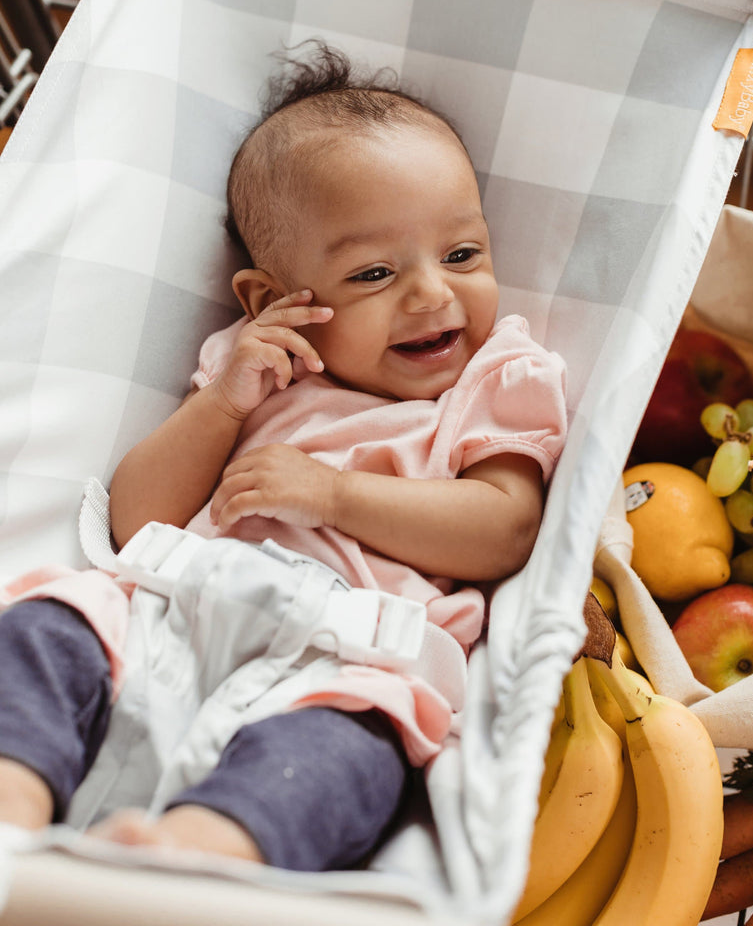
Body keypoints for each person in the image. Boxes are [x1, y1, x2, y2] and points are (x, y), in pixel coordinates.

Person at [0, 43, 567, 871]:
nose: (432, 294)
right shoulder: (258, 364)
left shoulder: (494, 379)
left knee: (350, 752)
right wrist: (220, 403)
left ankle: (199, 856)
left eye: (461, 254)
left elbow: (506, 528)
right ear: (274, 300)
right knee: (50, 626)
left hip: (351, 652)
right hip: (177, 603)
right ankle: (13, 803)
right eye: (375, 272)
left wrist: (336, 497)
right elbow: (137, 522)